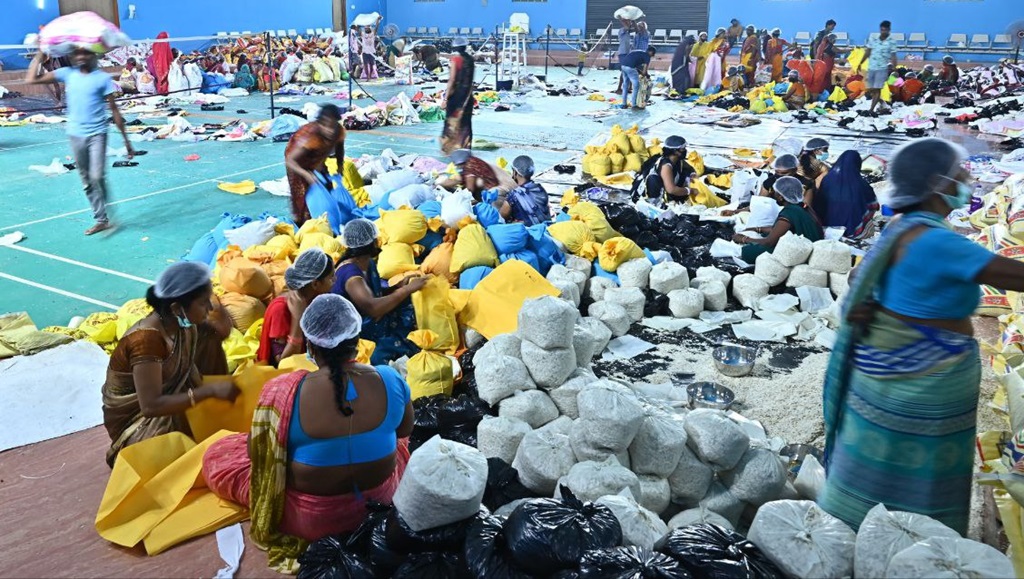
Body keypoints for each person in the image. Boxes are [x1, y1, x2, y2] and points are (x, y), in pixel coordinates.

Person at [818, 138, 1024, 534]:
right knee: (920, 474)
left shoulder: (899, 227)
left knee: (875, 465)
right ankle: (913, 542)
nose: (968, 179)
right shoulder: (939, 242)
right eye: (960, 173)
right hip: (927, 379)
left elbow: (859, 277)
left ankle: (859, 529)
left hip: (882, 368)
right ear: (937, 183)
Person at [203, 293, 414, 571]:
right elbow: (404, 431)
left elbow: (260, 458)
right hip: (380, 503)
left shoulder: (281, 391)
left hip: (311, 521)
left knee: (218, 454)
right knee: (398, 442)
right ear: (357, 340)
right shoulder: (389, 378)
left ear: (311, 345)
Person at [101, 262, 239, 467]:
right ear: (176, 308)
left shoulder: (182, 324)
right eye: (203, 303)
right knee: (177, 460)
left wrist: (216, 303)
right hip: (140, 422)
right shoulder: (146, 341)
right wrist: (208, 392)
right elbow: (150, 406)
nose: (209, 308)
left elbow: (221, 332)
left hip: (173, 398)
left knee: (210, 339)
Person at [25, 48, 134, 235]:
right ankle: (102, 219)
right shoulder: (67, 73)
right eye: (78, 54)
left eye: (86, 53)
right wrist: (39, 56)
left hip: (98, 133)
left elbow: (114, 110)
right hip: (75, 134)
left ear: (93, 56)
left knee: (97, 176)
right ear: (73, 57)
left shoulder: (101, 78)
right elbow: (31, 79)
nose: (82, 57)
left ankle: (107, 210)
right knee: (87, 180)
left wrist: (126, 140)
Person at [332, 219, 426, 364]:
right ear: (371, 243)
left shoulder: (367, 262)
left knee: (410, 303)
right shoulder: (351, 275)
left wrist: (397, 287)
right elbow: (373, 308)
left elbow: (373, 292)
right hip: (356, 330)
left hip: (372, 317)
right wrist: (406, 290)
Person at [258, 249, 336, 367]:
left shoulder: (316, 299)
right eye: (331, 278)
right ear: (315, 284)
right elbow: (283, 363)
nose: (335, 281)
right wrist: (298, 318)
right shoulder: (280, 309)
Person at [734, 176, 823, 263]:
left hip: (802, 252)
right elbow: (778, 229)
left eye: (775, 193)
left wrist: (743, 239)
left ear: (781, 197)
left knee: (750, 251)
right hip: (810, 246)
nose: (773, 194)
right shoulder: (803, 206)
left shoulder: (789, 212)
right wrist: (757, 229)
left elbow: (769, 243)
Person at [284, 104, 345, 226]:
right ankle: (303, 223)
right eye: (326, 126)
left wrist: (340, 166)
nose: (330, 130)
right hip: (297, 162)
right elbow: (290, 160)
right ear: (319, 124)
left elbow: (340, 148)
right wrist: (306, 174)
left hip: (317, 158)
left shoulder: (338, 131)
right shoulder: (309, 136)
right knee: (302, 194)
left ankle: (329, 216)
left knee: (326, 185)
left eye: (333, 126)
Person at [813, 150, 878, 239]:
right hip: (852, 231)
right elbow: (874, 206)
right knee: (870, 223)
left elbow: (818, 203)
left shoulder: (827, 180)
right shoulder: (862, 184)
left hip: (825, 227)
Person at [631, 136, 695, 205]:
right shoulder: (666, 166)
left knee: (686, 173)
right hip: (651, 193)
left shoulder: (677, 160)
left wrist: (693, 175)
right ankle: (655, 202)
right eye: (683, 149)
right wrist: (690, 191)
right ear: (675, 151)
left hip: (664, 187)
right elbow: (671, 189)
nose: (685, 150)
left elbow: (689, 168)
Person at [441, 37, 475, 154]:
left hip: (456, 98)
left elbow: (452, 80)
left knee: (451, 122)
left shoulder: (456, 60)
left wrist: (445, 98)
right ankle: (466, 146)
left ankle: (449, 147)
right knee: (466, 123)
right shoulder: (471, 60)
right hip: (467, 98)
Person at [502, 156, 550, 226]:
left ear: (515, 172)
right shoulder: (540, 189)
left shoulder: (514, 195)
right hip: (544, 230)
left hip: (526, 233)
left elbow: (500, 217)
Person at [864, 20, 898, 114]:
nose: (883, 32)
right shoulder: (873, 38)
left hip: (882, 69)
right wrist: (861, 62)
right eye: (882, 30)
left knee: (877, 89)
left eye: (885, 30)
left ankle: (871, 109)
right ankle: (881, 101)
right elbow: (868, 51)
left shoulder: (891, 42)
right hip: (872, 67)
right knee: (870, 89)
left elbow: (893, 56)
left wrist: (895, 68)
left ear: (889, 30)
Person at [620, 42, 653, 109]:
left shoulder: (640, 53)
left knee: (625, 85)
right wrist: (645, 75)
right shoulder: (647, 56)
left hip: (623, 66)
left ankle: (624, 104)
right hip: (630, 67)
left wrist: (644, 73)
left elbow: (638, 68)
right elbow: (644, 71)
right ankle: (634, 105)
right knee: (636, 86)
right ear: (651, 52)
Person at [798, 137, 831, 201]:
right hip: (807, 193)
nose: (827, 152)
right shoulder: (821, 166)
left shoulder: (797, 159)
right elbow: (817, 186)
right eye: (825, 150)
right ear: (816, 151)